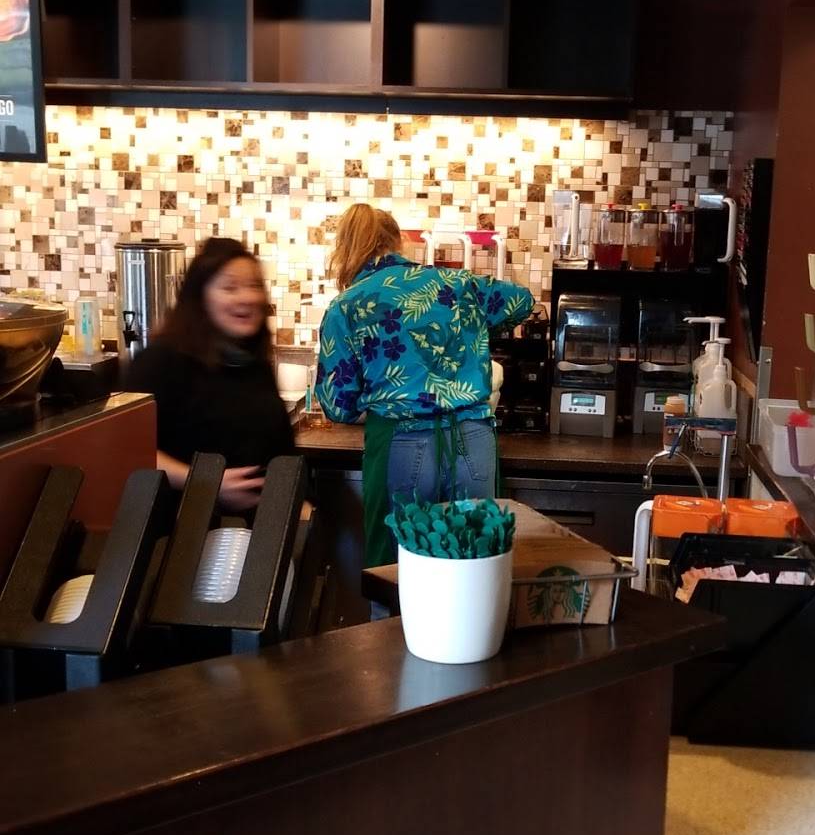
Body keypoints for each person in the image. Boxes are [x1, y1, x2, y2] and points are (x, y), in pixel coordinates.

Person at [316, 205, 533, 567]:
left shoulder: (347, 306)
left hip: (400, 443)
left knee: (397, 569)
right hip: (473, 440)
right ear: (398, 241)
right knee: (474, 566)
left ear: (346, 249)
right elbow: (521, 301)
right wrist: (474, 330)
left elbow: (337, 405)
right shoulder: (456, 284)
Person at [123, 237, 295, 513]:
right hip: (183, 530)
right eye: (230, 287)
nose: (248, 297)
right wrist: (206, 482)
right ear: (200, 296)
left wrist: (299, 506)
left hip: (260, 529)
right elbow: (127, 450)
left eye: (254, 286)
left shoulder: (251, 362)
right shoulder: (161, 361)